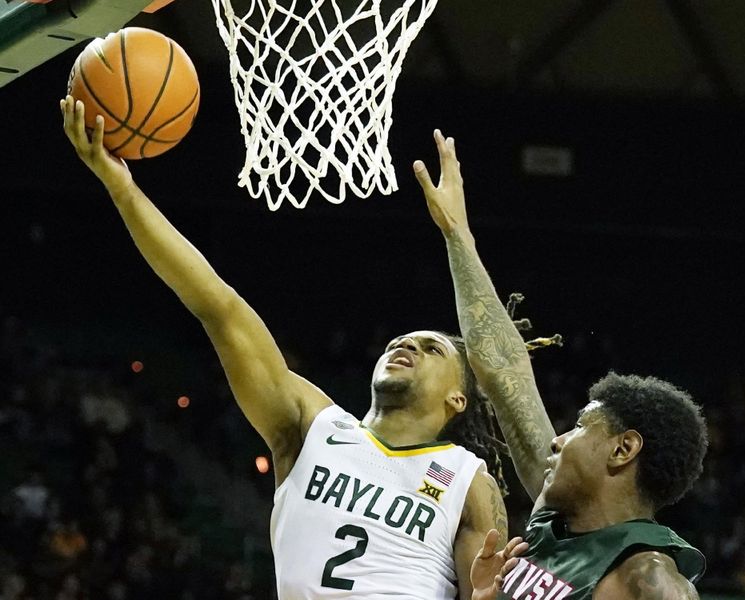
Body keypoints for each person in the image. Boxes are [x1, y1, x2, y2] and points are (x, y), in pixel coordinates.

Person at [59, 96, 508, 599]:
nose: (407, 344)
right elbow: (218, 306)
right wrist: (123, 190)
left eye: (432, 349)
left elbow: (484, 592)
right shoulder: (310, 424)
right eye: (404, 340)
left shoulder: (469, 481)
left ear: (457, 399)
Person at [414, 130, 709, 600]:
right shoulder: (554, 521)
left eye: (579, 427)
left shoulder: (648, 580)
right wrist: (458, 236)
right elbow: (505, 371)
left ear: (622, 449)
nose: (557, 439)